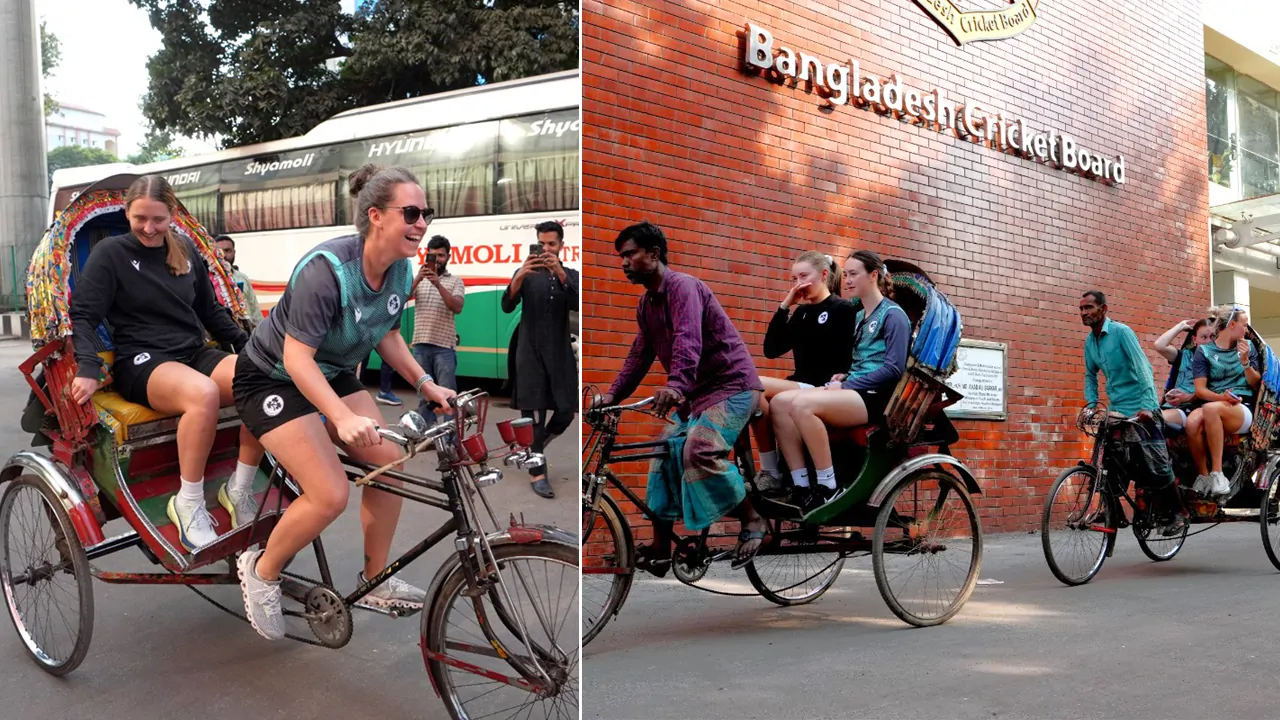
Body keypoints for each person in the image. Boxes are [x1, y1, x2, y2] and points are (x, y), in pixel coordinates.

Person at [232, 164, 456, 641]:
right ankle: (261, 570)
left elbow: (389, 334)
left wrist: (426, 383)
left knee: (389, 463)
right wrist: (339, 416)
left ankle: (374, 580)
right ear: (375, 215)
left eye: (427, 214)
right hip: (271, 379)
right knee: (329, 494)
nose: (422, 225)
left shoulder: (400, 269)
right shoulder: (326, 270)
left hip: (330, 372)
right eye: (411, 213)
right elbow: (296, 359)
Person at [69, 175, 266, 551]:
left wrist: (250, 346)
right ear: (126, 213)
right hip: (143, 360)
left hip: (193, 351)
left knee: (262, 379)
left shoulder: (187, 250)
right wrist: (88, 366)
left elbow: (210, 310)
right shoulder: (112, 253)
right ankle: (187, 501)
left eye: (157, 219)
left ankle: (238, 488)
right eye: (140, 218)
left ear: (172, 215)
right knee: (203, 394)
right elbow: (83, 315)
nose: (148, 227)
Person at [592, 221, 768, 571]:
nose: (624, 262)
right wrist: (612, 394)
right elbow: (638, 356)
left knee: (699, 450)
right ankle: (660, 545)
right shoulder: (647, 304)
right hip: (696, 397)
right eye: (621, 257)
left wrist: (675, 385)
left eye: (630, 254)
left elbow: (689, 338)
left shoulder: (683, 287)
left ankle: (752, 519)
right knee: (662, 455)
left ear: (654, 254)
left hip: (732, 388)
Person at [770, 251, 910, 512]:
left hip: (875, 397)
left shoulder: (894, 315)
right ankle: (801, 486)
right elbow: (860, 361)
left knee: (802, 406)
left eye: (854, 274)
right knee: (779, 404)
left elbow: (893, 369)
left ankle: (829, 486)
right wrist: (845, 376)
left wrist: (846, 385)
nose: (846, 280)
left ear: (873, 276)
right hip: (854, 389)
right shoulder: (858, 317)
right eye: (845, 274)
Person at [752, 250, 856, 500]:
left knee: (754, 384)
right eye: (794, 278)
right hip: (800, 385)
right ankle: (781, 475)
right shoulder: (801, 313)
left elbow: (853, 353)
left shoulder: (843, 309)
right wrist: (785, 305)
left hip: (825, 390)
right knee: (753, 392)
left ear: (823, 274)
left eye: (803, 276)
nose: (798, 283)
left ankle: (771, 472)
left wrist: (844, 377)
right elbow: (771, 350)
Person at [1080, 290, 1183, 533]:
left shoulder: (1121, 332)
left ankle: (1178, 512)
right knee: (1106, 460)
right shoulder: (1089, 342)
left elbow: (1143, 367)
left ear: (1103, 309)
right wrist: (1092, 405)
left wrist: (1148, 405)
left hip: (1141, 409)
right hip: (1116, 411)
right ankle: (1112, 509)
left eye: (1089, 308)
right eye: (1082, 309)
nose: (1084, 313)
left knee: (1154, 465)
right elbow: (1089, 375)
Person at [502, 220, 578, 499]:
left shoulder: (569, 274)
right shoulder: (526, 274)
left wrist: (559, 272)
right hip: (529, 354)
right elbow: (507, 305)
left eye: (551, 244)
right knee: (533, 414)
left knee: (566, 411)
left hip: (558, 354)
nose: (545, 249)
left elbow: (578, 302)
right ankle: (538, 473)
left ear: (561, 246)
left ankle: (536, 446)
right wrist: (519, 277)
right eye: (541, 244)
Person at [1185, 304, 1261, 498]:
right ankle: (1204, 476)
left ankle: (1218, 473)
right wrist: (1222, 397)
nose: (1247, 329)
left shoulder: (1248, 347)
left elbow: (1254, 384)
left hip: (1241, 407)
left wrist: (1245, 362)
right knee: (1192, 421)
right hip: (1217, 403)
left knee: (1210, 409)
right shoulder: (1204, 352)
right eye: (1244, 325)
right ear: (1232, 325)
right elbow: (1200, 390)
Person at [409, 234, 464, 423]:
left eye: (441, 255)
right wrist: (418, 279)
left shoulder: (455, 281)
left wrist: (437, 284)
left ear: (448, 257)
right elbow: (401, 299)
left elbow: (457, 307)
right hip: (420, 346)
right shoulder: (420, 279)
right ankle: (428, 438)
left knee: (447, 397)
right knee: (425, 396)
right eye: (433, 255)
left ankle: (450, 440)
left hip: (444, 348)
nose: (437, 260)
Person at [1153, 317, 1213, 429]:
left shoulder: (1219, 362)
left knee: (1152, 420)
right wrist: (1180, 326)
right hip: (1169, 407)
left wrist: (1188, 397)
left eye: (1212, 337)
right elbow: (1159, 345)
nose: (1208, 341)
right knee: (1140, 421)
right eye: (1204, 337)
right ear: (1195, 340)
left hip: (1192, 409)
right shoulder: (1185, 356)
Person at [214, 235, 262, 327]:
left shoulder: (242, 278)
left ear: (234, 252)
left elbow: (254, 308)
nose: (223, 255)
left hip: (246, 333)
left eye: (227, 251)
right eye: (219, 251)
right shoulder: (208, 280)